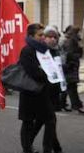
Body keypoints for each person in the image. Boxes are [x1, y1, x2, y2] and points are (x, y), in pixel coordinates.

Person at [19, 23, 59, 153]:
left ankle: (47, 149)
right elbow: (33, 72)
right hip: (30, 92)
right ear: (31, 36)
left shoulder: (43, 50)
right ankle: (27, 149)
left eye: (43, 35)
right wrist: (47, 72)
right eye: (40, 35)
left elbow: (52, 66)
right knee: (28, 123)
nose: (43, 37)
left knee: (50, 120)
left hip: (42, 93)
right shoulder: (27, 50)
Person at [61, 25, 84, 114]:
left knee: (69, 86)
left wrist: (80, 47)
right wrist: (77, 54)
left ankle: (62, 103)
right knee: (72, 86)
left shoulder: (75, 41)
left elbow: (79, 54)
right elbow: (70, 54)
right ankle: (77, 105)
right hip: (70, 66)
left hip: (72, 66)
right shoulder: (70, 42)